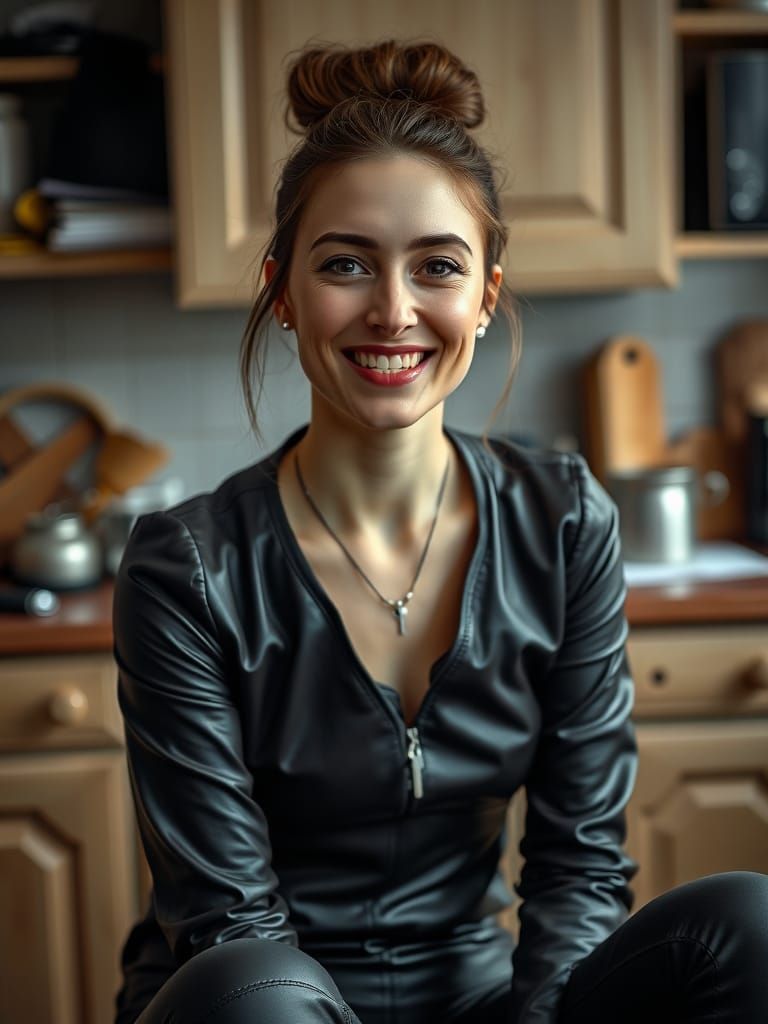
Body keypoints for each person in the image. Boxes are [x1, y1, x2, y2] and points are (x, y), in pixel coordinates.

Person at [113, 39, 768, 1024]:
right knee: (252, 996)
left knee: (748, 922)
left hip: (484, 1000)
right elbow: (226, 919)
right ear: (282, 289)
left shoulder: (564, 522)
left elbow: (579, 863)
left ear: (485, 294)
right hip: (259, 998)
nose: (392, 310)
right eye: (345, 264)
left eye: (437, 268)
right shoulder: (186, 569)